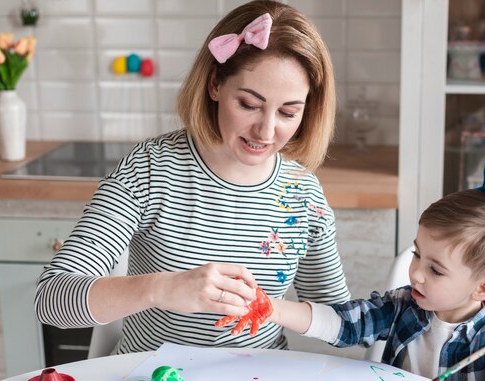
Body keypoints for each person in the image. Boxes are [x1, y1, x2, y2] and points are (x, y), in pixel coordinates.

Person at [34, 0, 351, 353]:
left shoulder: (302, 194)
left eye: (288, 112)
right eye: (248, 104)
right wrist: (160, 288)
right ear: (215, 84)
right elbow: (52, 298)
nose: (266, 131)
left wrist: (273, 310)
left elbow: (340, 320)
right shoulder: (149, 171)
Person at [264, 115, 485, 381]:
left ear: (483, 290)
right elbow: (342, 323)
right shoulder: (402, 306)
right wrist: (271, 308)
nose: (417, 273)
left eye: (436, 270)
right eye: (418, 253)